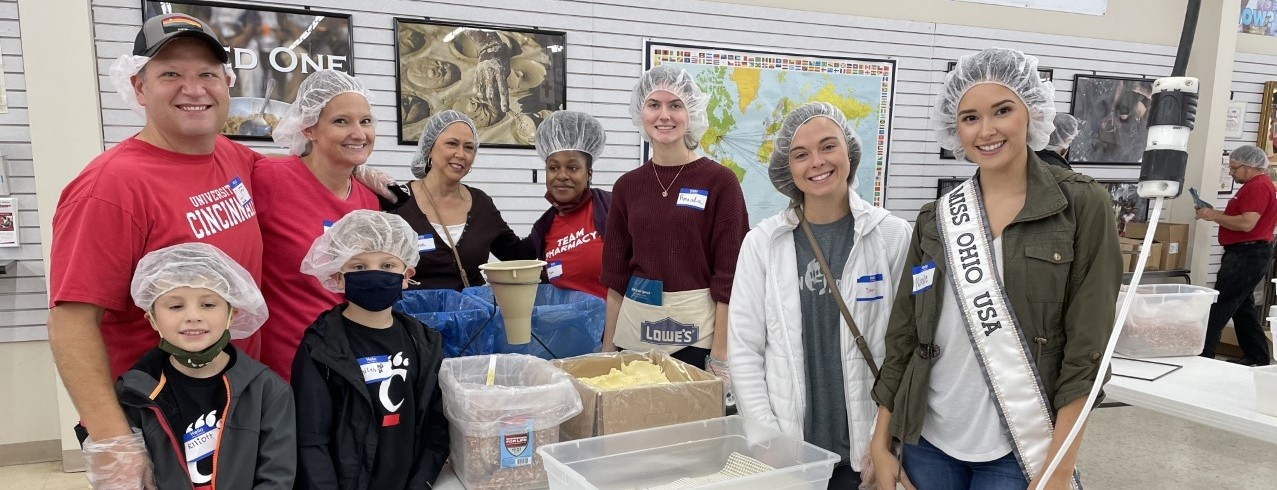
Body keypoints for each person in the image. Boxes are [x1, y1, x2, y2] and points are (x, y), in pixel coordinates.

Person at [869, 48, 1121, 490]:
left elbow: (1088, 351)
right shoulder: (936, 218)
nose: (986, 131)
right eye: (969, 117)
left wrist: (1061, 467)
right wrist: (881, 440)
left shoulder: (1082, 205)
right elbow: (905, 336)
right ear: (954, 126)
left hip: (1021, 446)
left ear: (1032, 111)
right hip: (929, 438)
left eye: (1001, 111)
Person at [47, 14, 266, 483]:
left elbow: (298, 175)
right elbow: (71, 320)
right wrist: (113, 441)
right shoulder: (111, 186)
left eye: (207, 73)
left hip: (227, 401)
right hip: (152, 415)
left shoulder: (231, 155)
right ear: (139, 88)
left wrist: (360, 172)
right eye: (170, 74)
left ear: (227, 84)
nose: (194, 88)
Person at [730, 102, 911, 489]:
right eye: (801, 154)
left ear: (849, 151)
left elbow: (905, 349)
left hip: (867, 450)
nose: (817, 162)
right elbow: (745, 348)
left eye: (828, 147)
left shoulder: (891, 236)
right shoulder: (763, 243)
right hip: (792, 452)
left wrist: (886, 443)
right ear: (788, 168)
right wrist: (766, 438)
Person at [94, 243, 294, 489]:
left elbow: (277, 477)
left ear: (232, 313)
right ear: (152, 319)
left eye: (208, 304)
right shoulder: (134, 394)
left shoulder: (268, 391)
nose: (193, 316)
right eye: (176, 306)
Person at [600, 64, 749, 380]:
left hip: (697, 342)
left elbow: (730, 276)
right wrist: (607, 348)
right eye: (654, 104)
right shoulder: (627, 187)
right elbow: (616, 275)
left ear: (691, 112)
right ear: (641, 112)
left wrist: (721, 355)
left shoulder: (720, 182)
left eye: (675, 105)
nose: (663, 115)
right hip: (633, 336)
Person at [292, 210, 449, 489]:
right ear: (339, 278)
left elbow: (437, 427)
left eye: (388, 266)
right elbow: (310, 439)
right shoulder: (321, 348)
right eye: (359, 267)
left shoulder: (425, 343)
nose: (375, 274)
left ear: (406, 275)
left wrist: (419, 483)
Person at [255, 69, 382, 381]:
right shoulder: (270, 179)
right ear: (309, 128)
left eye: (365, 121)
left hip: (345, 365)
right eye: (341, 121)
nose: (359, 133)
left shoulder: (369, 200)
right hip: (285, 369)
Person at [391, 110, 533, 290]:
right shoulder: (398, 202)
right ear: (429, 149)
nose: (461, 154)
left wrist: (557, 216)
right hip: (414, 315)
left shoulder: (481, 204)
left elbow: (518, 254)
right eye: (452, 144)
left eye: (468, 147)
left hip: (471, 315)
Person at [1197, 144, 1277, 366]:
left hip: (1247, 254)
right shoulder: (1252, 186)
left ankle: (1204, 354)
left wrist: (1213, 216)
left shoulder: (1257, 187)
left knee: (1221, 304)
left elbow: (1246, 223)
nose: (1230, 172)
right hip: (1246, 252)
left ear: (1250, 166)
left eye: (1234, 168)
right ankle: (1257, 356)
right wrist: (1212, 213)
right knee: (1242, 307)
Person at [526, 110, 611, 298]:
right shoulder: (543, 228)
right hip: (561, 326)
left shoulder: (612, 209)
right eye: (554, 167)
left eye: (572, 168)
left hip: (614, 325)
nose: (562, 176)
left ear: (589, 173)